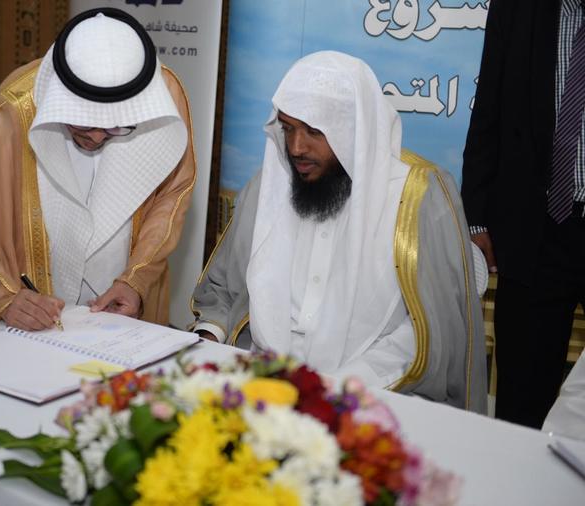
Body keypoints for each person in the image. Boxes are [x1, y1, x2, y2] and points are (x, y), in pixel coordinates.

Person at [191, 51, 487, 413]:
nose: (296, 148)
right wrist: (209, 337)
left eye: (315, 132)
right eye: (288, 128)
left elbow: (430, 331)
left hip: (374, 394)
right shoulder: (269, 185)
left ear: (354, 129)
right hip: (261, 381)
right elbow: (225, 289)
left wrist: (340, 388)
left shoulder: (418, 198)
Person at [0, 8, 195, 330]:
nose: (97, 137)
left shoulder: (163, 99)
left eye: (116, 126)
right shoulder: (16, 109)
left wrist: (136, 280)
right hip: (31, 324)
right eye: (83, 123)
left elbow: (171, 199)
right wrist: (2, 296)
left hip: (125, 322)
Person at [462, 0, 585, 428]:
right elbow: (488, 109)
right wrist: (476, 217)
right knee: (521, 405)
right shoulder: (516, 8)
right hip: (534, 231)